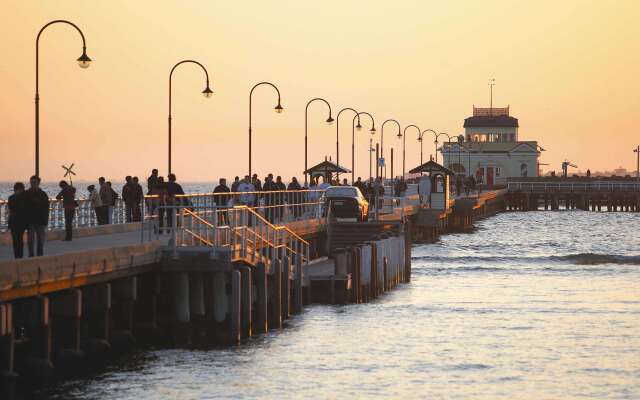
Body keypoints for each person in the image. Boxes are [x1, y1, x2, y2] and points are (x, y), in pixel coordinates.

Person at [25, 176, 49, 257]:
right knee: (30, 240)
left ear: (38, 183)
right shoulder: (26, 194)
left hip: (40, 220)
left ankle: (40, 255)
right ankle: (31, 255)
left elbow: (46, 208)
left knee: (40, 240)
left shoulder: (43, 194)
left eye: (34, 182)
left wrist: (45, 220)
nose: (32, 184)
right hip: (30, 220)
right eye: (31, 182)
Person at [8, 182, 28, 259]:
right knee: (16, 240)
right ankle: (18, 256)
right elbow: (12, 208)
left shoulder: (14, 198)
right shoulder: (13, 198)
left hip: (19, 222)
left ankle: (19, 255)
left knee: (18, 239)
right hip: (15, 222)